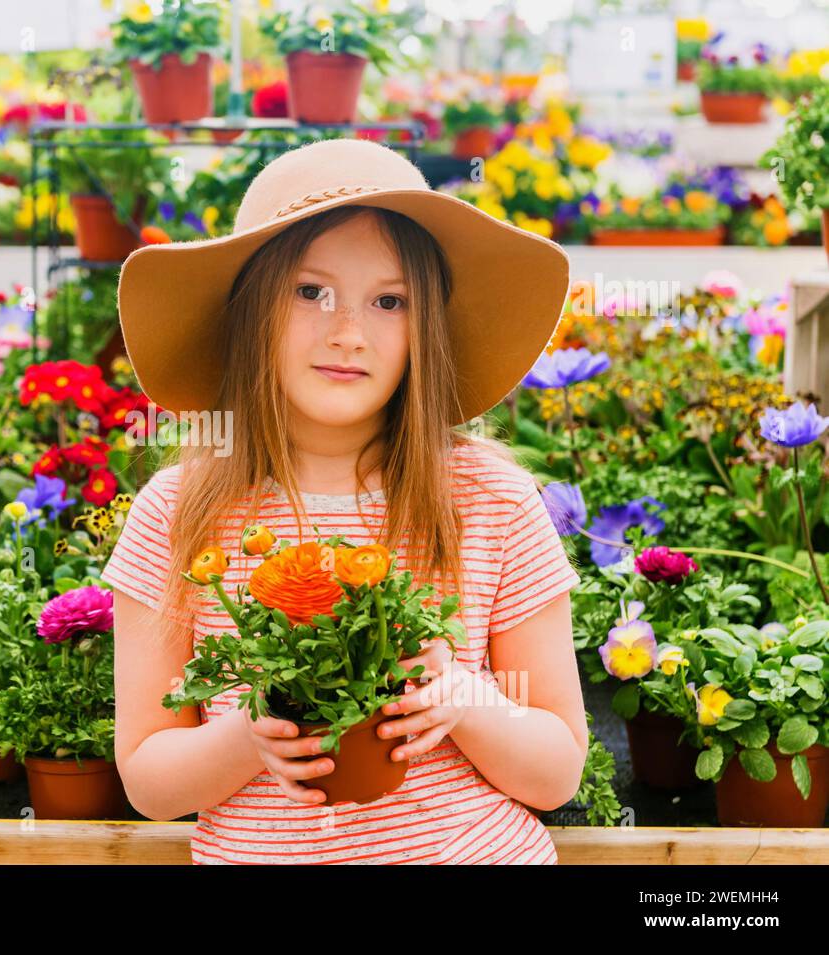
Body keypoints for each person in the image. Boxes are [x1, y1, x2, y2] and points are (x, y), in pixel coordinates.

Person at [101, 137, 586, 864]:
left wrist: (461, 697)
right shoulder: (179, 513)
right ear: (250, 310)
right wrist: (248, 735)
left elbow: (557, 769)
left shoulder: (491, 499)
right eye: (309, 291)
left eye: (389, 301)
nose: (349, 333)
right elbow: (148, 778)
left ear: (426, 329)